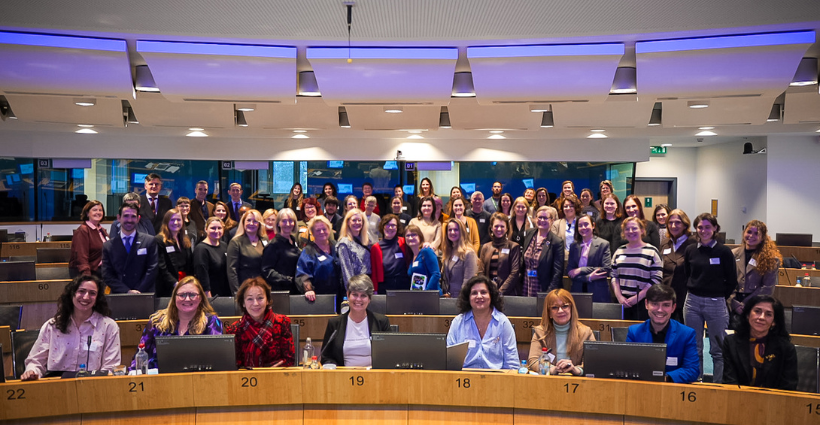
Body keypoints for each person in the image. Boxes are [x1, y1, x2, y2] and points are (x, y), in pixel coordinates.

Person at [21, 275, 120, 380]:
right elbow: (36, 361)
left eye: (92, 293)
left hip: (92, 385)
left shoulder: (109, 326)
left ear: (97, 298)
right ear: (72, 294)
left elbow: (111, 367)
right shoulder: (53, 325)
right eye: (81, 291)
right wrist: (32, 371)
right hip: (56, 386)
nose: (86, 297)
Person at [683, 213, 737, 383]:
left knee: (718, 348)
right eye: (700, 227)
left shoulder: (723, 251)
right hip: (692, 302)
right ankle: (696, 380)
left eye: (707, 227)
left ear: (715, 228)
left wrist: (718, 295)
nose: (703, 230)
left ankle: (718, 383)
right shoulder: (690, 249)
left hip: (716, 302)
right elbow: (688, 274)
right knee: (695, 346)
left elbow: (732, 280)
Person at [131, 276, 223, 370]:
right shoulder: (156, 321)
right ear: (174, 298)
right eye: (182, 295)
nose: (187, 299)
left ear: (200, 298)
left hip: (198, 380)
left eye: (192, 295)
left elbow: (217, 359)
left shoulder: (211, 322)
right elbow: (140, 355)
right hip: (158, 379)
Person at [626, 284, 699, 384]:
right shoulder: (634, 332)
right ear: (646, 304)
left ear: (673, 308)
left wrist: (664, 378)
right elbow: (628, 366)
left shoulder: (686, 334)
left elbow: (692, 370)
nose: (660, 310)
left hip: (672, 391)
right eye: (655, 304)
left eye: (666, 305)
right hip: (641, 389)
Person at [722, 295, 798, 390]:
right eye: (757, 311)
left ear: (774, 322)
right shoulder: (731, 343)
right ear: (748, 315)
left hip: (774, 402)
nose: (761, 317)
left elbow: (788, 386)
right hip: (738, 400)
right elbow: (730, 381)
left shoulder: (786, 348)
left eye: (768, 314)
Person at [446, 276, 518, 370]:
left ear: (491, 295)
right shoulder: (458, 322)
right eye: (474, 293)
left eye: (483, 292)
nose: (479, 296)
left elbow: (512, 363)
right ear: (468, 298)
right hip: (464, 380)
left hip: (496, 380)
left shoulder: (503, 322)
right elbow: (449, 361)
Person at [320, 274, 391, 366]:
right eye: (355, 294)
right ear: (348, 295)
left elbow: (389, 355)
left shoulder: (381, 322)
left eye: (363, 295)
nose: (358, 299)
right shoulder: (334, 324)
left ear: (369, 299)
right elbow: (326, 357)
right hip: (343, 377)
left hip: (375, 377)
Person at [225, 277, 294, 368]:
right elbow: (234, 366)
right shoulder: (234, 329)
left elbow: (289, 360)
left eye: (260, 298)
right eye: (250, 299)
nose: (256, 303)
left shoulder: (282, 322)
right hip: (245, 379)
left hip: (277, 377)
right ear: (243, 303)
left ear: (268, 300)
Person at [527, 289, 595, 375]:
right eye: (554, 307)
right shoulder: (540, 332)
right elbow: (533, 360)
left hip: (577, 382)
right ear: (549, 313)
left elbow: (592, 363)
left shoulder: (586, 332)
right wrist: (552, 369)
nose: (560, 311)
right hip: (549, 380)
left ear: (571, 309)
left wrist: (576, 370)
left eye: (565, 306)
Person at [728, 220, 782, 325]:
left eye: (756, 233)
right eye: (749, 232)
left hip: (756, 304)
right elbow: (725, 280)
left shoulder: (771, 259)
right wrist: (734, 303)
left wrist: (747, 304)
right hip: (732, 304)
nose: (751, 236)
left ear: (762, 237)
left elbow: (767, 288)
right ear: (744, 233)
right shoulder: (732, 254)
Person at [611, 217, 662, 320]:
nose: (630, 231)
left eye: (634, 228)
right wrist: (619, 296)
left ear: (642, 230)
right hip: (622, 302)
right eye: (627, 229)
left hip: (644, 302)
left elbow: (656, 279)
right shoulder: (619, 251)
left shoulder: (652, 251)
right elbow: (614, 276)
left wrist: (637, 298)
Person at [102, 201, 158, 294]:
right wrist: (126, 291)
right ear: (119, 218)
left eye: (133, 216)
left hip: (144, 293)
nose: (129, 220)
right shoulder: (108, 246)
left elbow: (152, 269)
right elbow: (107, 274)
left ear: (138, 219)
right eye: (126, 216)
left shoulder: (149, 241)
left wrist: (138, 290)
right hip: (119, 294)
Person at [296, 216, 342, 302]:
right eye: (318, 230)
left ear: (329, 229)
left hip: (340, 295)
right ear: (312, 232)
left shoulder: (336, 246)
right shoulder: (308, 251)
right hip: (319, 297)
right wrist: (308, 290)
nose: (321, 232)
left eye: (324, 229)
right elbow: (302, 274)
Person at [661, 209, 696, 322]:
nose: (673, 225)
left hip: (685, 294)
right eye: (670, 223)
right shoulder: (665, 243)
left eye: (678, 222)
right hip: (666, 293)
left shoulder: (694, 243)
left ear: (685, 225)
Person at [567, 215, 612, 302]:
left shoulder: (603, 244)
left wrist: (581, 270)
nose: (583, 227)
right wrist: (588, 277)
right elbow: (570, 271)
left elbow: (606, 269)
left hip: (598, 292)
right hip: (578, 290)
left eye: (586, 224)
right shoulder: (574, 246)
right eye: (580, 225)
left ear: (593, 225)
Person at [521, 207, 564, 296]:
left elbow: (557, 272)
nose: (542, 220)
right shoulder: (529, 233)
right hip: (526, 284)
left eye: (545, 218)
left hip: (544, 287)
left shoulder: (556, 242)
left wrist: (548, 294)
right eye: (539, 217)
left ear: (552, 220)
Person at [479, 212, 522, 295]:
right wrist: (487, 289)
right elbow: (481, 272)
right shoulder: (485, 247)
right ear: (491, 228)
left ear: (506, 229)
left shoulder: (513, 246)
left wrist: (500, 292)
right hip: (489, 292)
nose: (499, 229)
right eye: (496, 226)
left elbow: (515, 272)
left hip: (508, 293)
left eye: (502, 226)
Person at [261, 208, 302, 294]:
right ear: (278, 223)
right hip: (280, 291)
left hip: (294, 289)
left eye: (291, 221)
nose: (287, 224)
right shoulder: (273, 245)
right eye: (284, 221)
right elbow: (267, 270)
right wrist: (287, 279)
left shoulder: (294, 241)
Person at [155, 209, 193, 297]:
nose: (176, 222)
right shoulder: (159, 240)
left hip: (185, 283)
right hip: (168, 286)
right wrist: (175, 283)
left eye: (179, 220)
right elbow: (161, 267)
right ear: (166, 222)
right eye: (172, 220)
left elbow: (189, 264)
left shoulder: (185, 239)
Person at [227, 209, 267, 295]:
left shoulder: (264, 240)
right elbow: (232, 270)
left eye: (255, 221)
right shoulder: (235, 242)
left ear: (260, 224)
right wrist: (237, 293)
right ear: (243, 222)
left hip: (262, 287)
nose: (251, 224)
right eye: (248, 220)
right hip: (244, 288)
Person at [371, 214, 411, 294]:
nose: (390, 227)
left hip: (404, 286)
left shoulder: (404, 242)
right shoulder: (376, 247)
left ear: (397, 227)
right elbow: (374, 272)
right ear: (382, 226)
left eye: (393, 225)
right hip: (385, 287)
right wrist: (375, 290)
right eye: (387, 224)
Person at [69, 200, 109, 278]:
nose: (98, 212)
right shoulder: (83, 230)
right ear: (87, 213)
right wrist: (86, 277)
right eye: (94, 210)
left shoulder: (102, 230)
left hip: (102, 271)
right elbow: (81, 257)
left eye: (100, 210)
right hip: (89, 273)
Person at [441, 218, 478, 298]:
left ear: (462, 232)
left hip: (462, 299)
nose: (452, 232)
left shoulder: (469, 253)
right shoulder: (448, 252)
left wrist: (461, 299)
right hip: (448, 299)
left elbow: (468, 281)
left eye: (456, 230)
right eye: (450, 230)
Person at [193, 217, 230, 297]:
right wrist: (208, 298)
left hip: (225, 292)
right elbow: (202, 276)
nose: (216, 231)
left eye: (219, 228)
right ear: (206, 229)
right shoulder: (201, 249)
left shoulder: (224, 245)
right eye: (213, 228)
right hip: (212, 294)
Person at [337, 208, 372, 289]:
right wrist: (351, 291)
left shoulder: (366, 240)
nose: (357, 223)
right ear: (348, 222)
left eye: (359, 220)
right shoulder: (344, 243)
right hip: (354, 286)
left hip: (367, 283)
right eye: (354, 220)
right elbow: (346, 271)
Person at [405, 224, 442, 294]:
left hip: (431, 296)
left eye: (413, 235)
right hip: (418, 296)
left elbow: (436, 274)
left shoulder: (426, 251)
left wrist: (426, 293)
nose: (410, 238)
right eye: (407, 235)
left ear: (420, 237)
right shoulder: (412, 256)